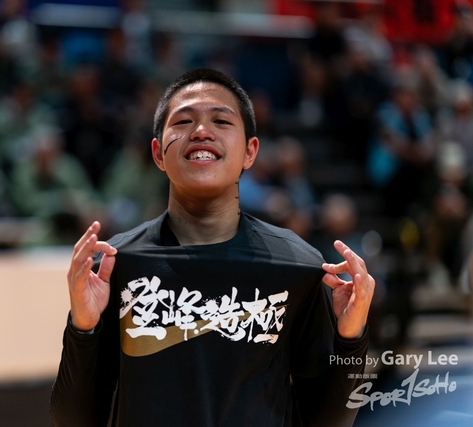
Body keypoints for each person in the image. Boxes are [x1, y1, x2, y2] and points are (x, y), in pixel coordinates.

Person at [50, 69, 375, 427]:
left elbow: (330, 421)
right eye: (183, 121)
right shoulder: (117, 264)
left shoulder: (297, 265)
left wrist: (351, 338)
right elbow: (73, 420)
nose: (201, 131)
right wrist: (83, 327)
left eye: (221, 121)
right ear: (158, 153)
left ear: (250, 152)